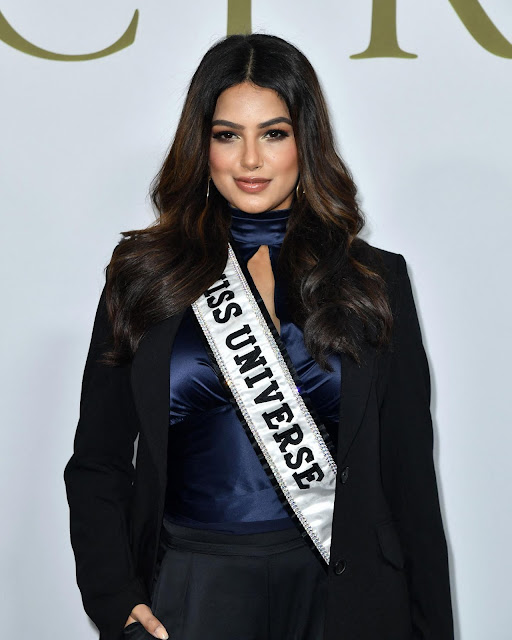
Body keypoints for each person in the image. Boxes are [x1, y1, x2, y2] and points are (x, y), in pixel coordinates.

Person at [64, 33, 454, 640]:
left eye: (273, 133)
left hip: (340, 595)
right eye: (227, 135)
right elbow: (98, 459)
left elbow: (409, 480)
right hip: (194, 586)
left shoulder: (373, 279)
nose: (250, 160)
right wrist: (115, 595)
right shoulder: (143, 275)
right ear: (202, 144)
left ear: (306, 141)